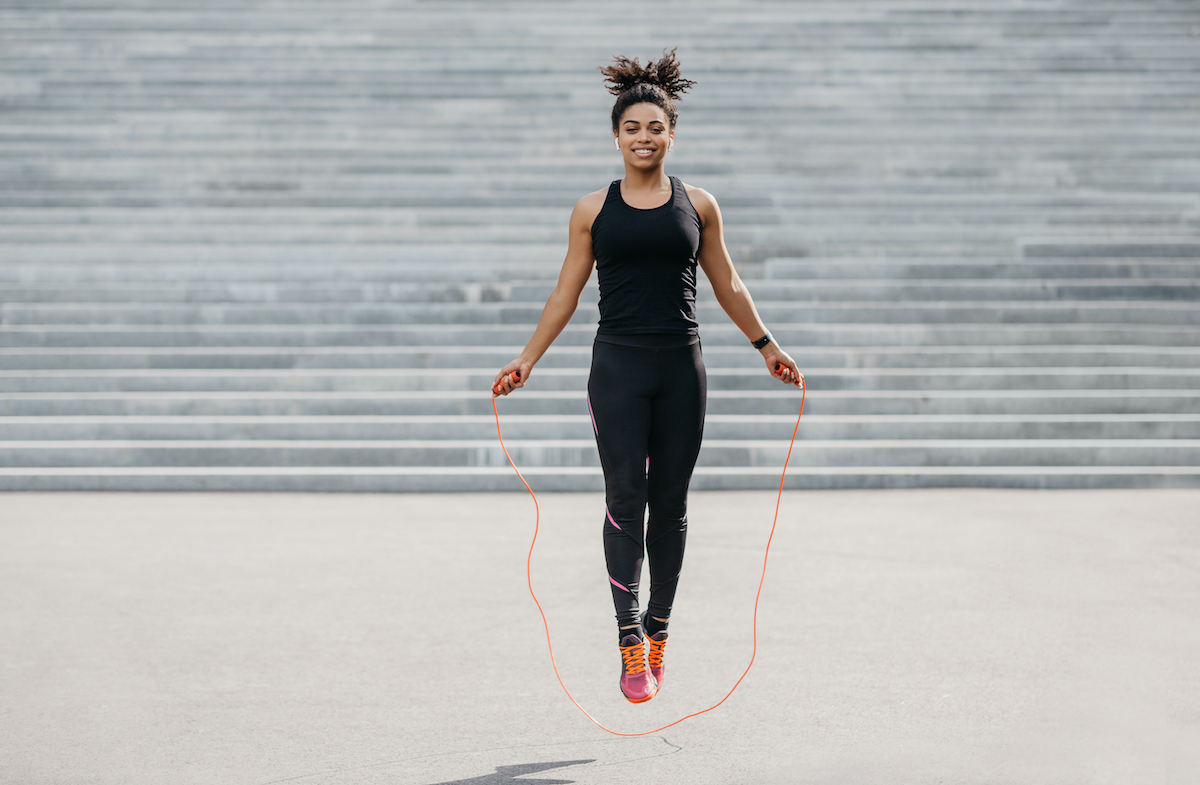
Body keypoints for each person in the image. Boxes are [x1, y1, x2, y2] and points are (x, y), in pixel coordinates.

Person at [492, 49, 803, 704]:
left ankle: (659, 628)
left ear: (672, 131)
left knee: (672, 502)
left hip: (682, 367)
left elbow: (728, 282)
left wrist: (766, 345)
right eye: (632, 128)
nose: (643, 137)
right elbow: (564, 295)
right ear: (616, 136)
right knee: (624, 498)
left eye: (654, 127)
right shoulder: (591, 210)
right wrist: (527, 359)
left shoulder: (700, 204)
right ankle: (628, 637)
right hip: (618, 366)